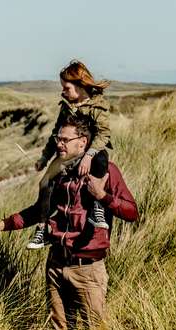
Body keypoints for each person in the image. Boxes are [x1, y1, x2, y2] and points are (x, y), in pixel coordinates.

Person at [0, 113, 138, 330]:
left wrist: (102, 197)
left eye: (64, 139)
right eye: (57, 138)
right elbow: (37, 211)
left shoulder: (106, 172)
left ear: (82, 142)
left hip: (87, 269)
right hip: (55, 264)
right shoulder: (59, 174)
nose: (58, 144)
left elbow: (131, 212)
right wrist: (1, 225)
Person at [27, 60, 113, 249]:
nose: (63, 92)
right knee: (45, 183)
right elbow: (56, 134)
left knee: (102, 160)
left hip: (92, 151)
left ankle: (97, 210)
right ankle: (42, 230)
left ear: (80, 86)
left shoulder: (98, 105)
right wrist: (44, 157)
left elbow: (104, 134)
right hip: (68, 155)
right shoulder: (66, 106)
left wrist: (89, 155)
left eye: (66, 88)